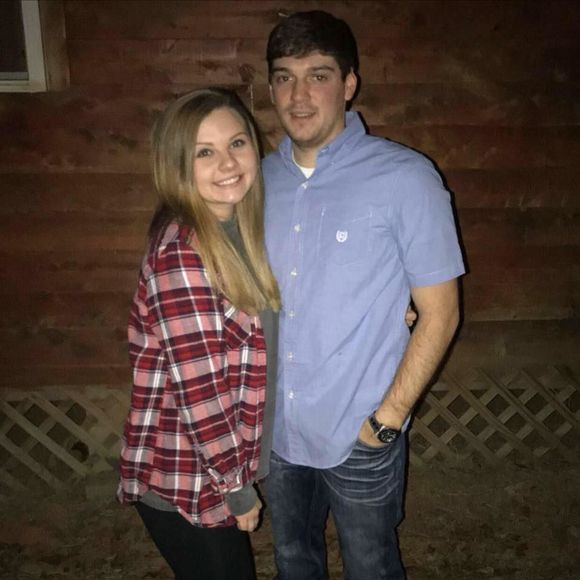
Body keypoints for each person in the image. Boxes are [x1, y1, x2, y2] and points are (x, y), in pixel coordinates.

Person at [262, 10, 465, 580]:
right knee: (293, 561)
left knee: (371, 566)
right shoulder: (257, 182)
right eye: (284, 77)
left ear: (349, 83)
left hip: (360, 430)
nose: (299, 96)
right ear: (271, 88)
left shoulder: (406, 178)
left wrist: (386, 421)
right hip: (277, 431)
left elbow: (442, 314)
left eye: (318, 75)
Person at [117, 88, 280, 580]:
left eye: (237, 143)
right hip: (188, 476)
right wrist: (237, 488)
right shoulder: (183, 253)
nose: (227, 163)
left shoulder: (241, 231)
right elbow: (201, 390)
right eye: (204, 152)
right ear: (177, 166)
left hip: (213, 467)